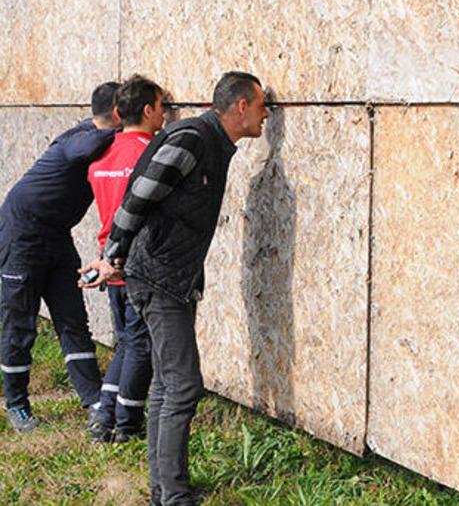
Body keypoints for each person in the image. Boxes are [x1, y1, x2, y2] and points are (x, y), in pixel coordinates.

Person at [81, 71, 270, 506]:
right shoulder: (194, 140)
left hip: (171, 277)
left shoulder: (212, 144)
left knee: (167, 385)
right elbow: (138, 196)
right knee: (183, 385)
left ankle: (165, 490)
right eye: (261, 106)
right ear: (241, 106)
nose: (265, 115)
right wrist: (113, 257)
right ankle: (173, 496)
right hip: (159, 277)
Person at [0, 81, 120, 433]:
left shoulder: (96, 138)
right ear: (116, 113)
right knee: (19, 324)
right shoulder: (80, 138)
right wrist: (126, 132)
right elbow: (82, 150)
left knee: (72, 318)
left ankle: (93, 400)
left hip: (56, 235)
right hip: (21, 235)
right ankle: (17, 404)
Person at [85, 75, 167, 442]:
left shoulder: (100, 155)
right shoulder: (151, 154)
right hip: (135, 263)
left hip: (108, 260)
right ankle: (126, 424)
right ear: (148, 110)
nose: (165, 115)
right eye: (163, 107)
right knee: (141, 345)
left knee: (129, 342)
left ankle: (104, 415)